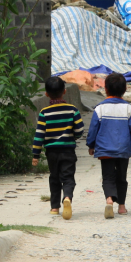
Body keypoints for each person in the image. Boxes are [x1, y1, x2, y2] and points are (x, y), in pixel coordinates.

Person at [86, 73, 131, 219]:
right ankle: (122, 206)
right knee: (121, 177)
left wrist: (91, 145)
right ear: (124, 90)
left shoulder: (100, 109)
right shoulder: (129, 109)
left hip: (105, 150)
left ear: (106, 89)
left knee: (108, 177)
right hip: (124, 149)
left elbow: (93, 130)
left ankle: (109, 200)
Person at [32, 76, 84, 220]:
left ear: (46, 94)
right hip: (68, 150)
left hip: (51, 152)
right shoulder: (72, 110)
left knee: (54, 177)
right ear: (64, 92)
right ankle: (67, 197)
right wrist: (73, 136)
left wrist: (35, 155)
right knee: (68, 177)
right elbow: (80, 130)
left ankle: (55, 207)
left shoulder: (44, 113)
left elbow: (39, 136)